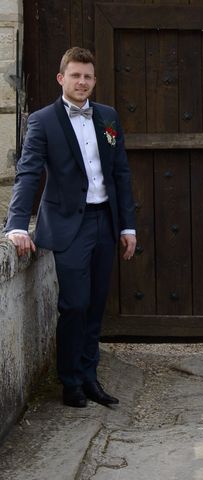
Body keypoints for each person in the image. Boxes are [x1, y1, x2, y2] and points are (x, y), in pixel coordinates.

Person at [4, 47, 136, 408]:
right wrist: (15, 224)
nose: (82, 82)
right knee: (74, 304)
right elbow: (29, 173)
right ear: (61, 78)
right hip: (68, 226)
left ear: (94, 80)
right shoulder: (43, 120)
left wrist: (128, 227)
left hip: (104, 221)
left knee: (95, 306)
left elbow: (121, 174)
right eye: (75, 75)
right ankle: (70, 382)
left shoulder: (108, 117)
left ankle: (91, 378)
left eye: (88, 76)